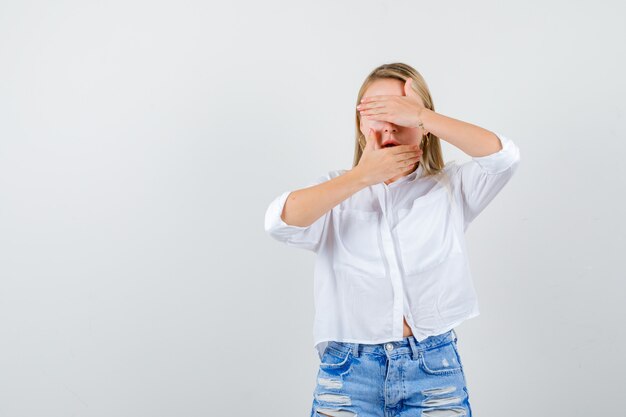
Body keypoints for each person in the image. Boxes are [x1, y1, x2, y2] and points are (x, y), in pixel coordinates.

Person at [264, 62, 521, 417]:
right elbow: (279, 222)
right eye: (375, 113)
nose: (388, 125)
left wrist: (422, 114)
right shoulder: (337, 193)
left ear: (423, 128)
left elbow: (503, 157)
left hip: (433, 370)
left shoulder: (452, 188)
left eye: (399, 114)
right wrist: (363, 176)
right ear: (359, 126)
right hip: (348, 373)